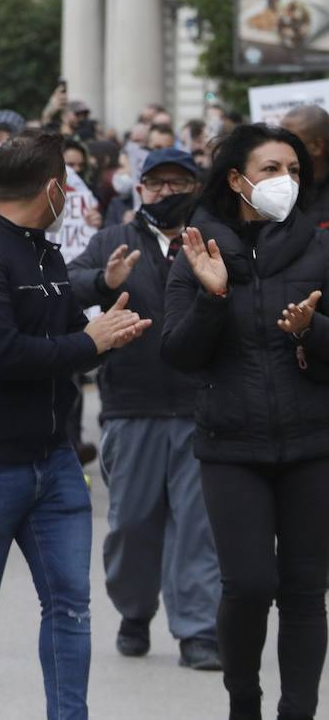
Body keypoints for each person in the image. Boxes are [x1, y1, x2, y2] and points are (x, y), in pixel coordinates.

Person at [0, 130, 151, 720]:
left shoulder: (44, 248)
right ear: (53, 189)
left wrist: (104, 340)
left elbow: (60, 343)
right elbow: (0, 354)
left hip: (53, 462)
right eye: (68, 191)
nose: (71, 203)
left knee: (70, 606)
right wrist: (88, 340)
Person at [161, 123, 329, 720]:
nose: (286, 180)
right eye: (270, 169)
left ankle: (298, 712)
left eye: (293, 169)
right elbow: (177, 354)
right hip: (231, 446)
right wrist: (212, 298)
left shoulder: (319, 247)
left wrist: (312, 330)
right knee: (251, 585)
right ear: (237, 180)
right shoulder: (199, 247)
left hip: (312, 444)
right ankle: (244, 701)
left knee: (307, 591)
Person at [68, 147, 221, 672]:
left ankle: (197, 629)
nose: (165, 193)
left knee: (197, 527)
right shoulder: (113, 240)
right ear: (140, 190)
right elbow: (65, 289)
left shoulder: (216, 242)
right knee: (132, 523)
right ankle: (134, 612)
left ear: (195, 189)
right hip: (132, 406)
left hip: (201, 407)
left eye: (177, 184)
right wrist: (102, 283)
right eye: (156, 185)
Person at [278, 104, 329, 228]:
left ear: (317, 147)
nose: (278, 148)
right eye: (278, 139)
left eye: (289, 140)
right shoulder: (277, 188)